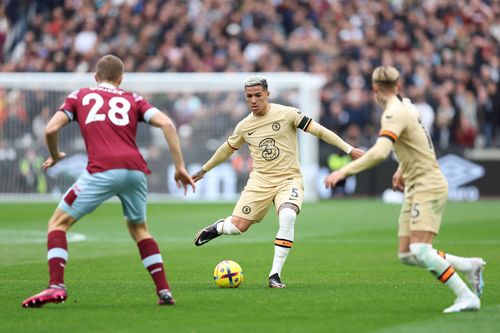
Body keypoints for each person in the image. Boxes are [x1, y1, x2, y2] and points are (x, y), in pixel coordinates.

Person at [22, 54, 195, 308]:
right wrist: (179, 166)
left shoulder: (79, 95)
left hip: (101, 169)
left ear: (96, 77)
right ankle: (164, 291)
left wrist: (56, 155)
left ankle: (55, 287)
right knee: (140, 230)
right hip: (136, 171)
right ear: (120, 79)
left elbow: (50, 129)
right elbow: (167, 123)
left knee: (57, 223)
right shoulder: (132, 98)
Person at [324, 66, 485, 313]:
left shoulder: (393, 113)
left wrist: (343, 171)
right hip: (415, 182)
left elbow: (379, 152)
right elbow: (417, 141)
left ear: (374, 89)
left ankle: (466, 296)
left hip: (427, 184)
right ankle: (468, 265)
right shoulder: (407, 105)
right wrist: (402, 168)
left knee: (421, 249)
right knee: (407, 254)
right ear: (398, 86)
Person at [192, 76, 364, 288]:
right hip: (260, 182)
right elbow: (227, 149)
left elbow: (319, 130)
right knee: (238, 228)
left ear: (267, 95)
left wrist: (349, 149)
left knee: (288, 215)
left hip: (289, 179)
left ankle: (275, 275)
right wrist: (204, 170)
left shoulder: (287, 114)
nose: (253, 100)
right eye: (249, 97)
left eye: (257, 95)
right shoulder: (245, 126)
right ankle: (217, 228)